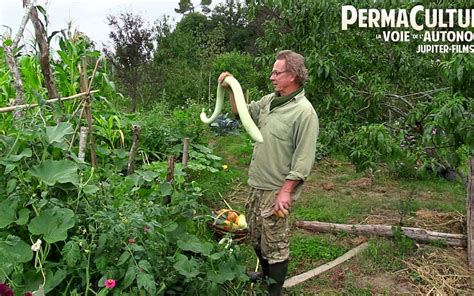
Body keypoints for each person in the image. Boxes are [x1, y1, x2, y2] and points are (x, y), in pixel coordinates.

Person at [218, 50, 319, 295]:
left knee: (275, 241)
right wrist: (232, 88)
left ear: (293, 75)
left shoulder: (304, 112)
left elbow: (304, 159)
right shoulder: (269, 101)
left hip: (276, 188)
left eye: (277, 72)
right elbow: (240, 113)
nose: (272, 76)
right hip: (256, 182)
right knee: (255, 234)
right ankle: (265, 273)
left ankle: (275, 291)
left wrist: (286, 192)